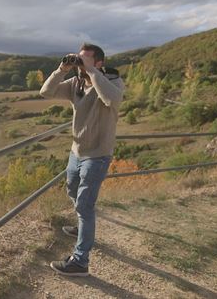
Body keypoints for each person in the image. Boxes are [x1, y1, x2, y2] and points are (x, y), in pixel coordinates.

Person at [39, 42, 125, 276]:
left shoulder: (113, 81)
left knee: (85, 205)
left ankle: (80, 261)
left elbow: (111, 99)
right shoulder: (75, 83)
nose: (81, 64)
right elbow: (45, 92)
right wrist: (62, 69)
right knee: (72, 192)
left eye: (86, 60)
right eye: (79, 59)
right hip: (76, 152)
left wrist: (93, 72)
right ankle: (83, 229)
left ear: (99, 63)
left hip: (97, 155)